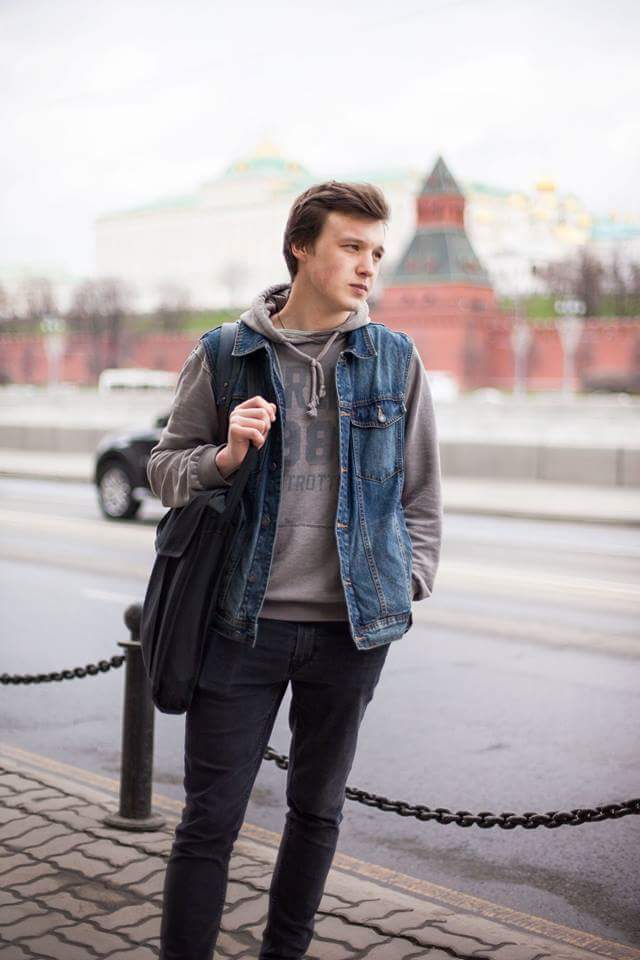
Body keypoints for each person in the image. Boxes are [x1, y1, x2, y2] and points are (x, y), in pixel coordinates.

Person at [147, 180, 442, 960]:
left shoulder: (394, 359)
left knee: (317, 813)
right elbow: (164, 469)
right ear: (301, 248)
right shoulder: (226, 353)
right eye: (351, 247)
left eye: (376, 251)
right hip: (240, 627)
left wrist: (406, 580)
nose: (368, 266)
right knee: (209, 822)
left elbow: (421, 495)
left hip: (351, 634)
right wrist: (223, 456)